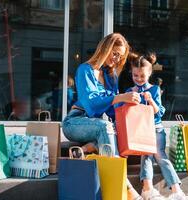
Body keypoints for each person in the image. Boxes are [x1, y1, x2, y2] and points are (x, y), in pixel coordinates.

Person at [62, 33, 143, 200]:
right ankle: (126, 188)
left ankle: (87, 150)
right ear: (105, 49)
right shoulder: (85, 70)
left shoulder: (110, 76)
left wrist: (131, 105)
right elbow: (92, 104)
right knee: (105, 127)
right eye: (114, 53)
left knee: (114, 128)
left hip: (96, 125)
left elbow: (112, 111)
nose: (116, 59)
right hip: (75, 122)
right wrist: (120, 97)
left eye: (120, 56)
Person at [126, 52, 186, 200]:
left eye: (142, 76)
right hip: (140, 131)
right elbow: (124, 112)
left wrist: (151, 100)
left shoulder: (154, 89)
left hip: (156, 129)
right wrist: (129, 98)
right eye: (135, 76)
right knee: (145, 155)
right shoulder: (129, 91)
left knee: (160, 156)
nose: (139, 79)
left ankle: (176, 190)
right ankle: (147, 189)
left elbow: (158, 112)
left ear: (150, 73)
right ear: (131, 73)